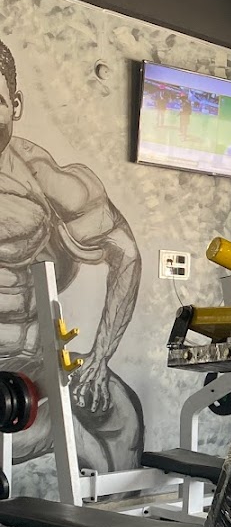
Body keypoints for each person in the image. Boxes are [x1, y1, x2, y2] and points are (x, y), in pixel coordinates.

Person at [0, 37, 143, 472]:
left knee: (121, 415)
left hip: (34, 361)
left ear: (16, 105)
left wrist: (99, 360)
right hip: (16, 391)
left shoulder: (44, 178)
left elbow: (126, 254)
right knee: (61, 429)